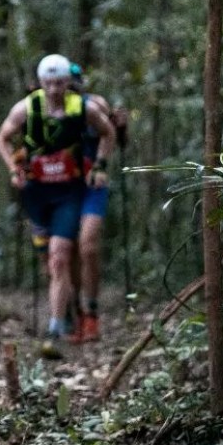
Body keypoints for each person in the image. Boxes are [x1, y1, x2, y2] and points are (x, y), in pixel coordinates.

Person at [0, 53, 114, 358]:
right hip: (37, 192)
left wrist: (100, 165)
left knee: (66, 253)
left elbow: (109, 133)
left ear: (69, 82)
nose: (55, 89)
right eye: (49, 83)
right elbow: (2, 138)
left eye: (60, 82)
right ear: (41, 82)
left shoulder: (86, 106)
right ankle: (70, 313)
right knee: (51, 260)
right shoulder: (26, 108)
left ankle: (58, 326)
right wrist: (13, 169)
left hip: (73, 190)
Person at [66, 64, 129, 344]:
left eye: (73, 84)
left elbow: (116, 138)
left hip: (92, 184)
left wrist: (121, 127)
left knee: (88, 245)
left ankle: (91, 312)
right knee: (66, 252)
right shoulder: (42, 108)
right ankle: (74, 313)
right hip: (61, 188)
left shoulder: (94, 105)